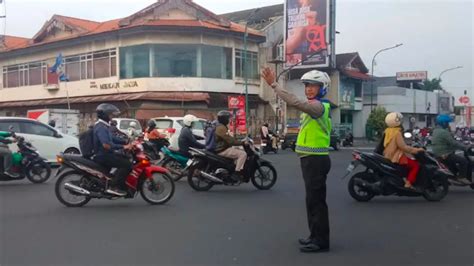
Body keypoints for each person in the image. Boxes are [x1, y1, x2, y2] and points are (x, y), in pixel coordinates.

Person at [262, 67, 331, 253]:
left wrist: (274, 85)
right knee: (311, 200)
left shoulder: (319, 107)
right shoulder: (313, 107)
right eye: (307, 86)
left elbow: (294, 101)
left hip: (316, 160)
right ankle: (314, 235)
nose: (309, 89)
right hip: (309, 159)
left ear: (322, 88)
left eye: (313, 86)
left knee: (317, 201)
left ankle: (321, 241)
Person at [93, 104, 133, 197]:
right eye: (110, 114)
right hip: (103, 155)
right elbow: (106, 145)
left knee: (124, 158)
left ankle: (115, 181)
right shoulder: (101, 127)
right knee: (127, 164)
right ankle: (114, 187)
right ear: (105, 115)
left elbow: (113, 138)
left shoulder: (104, 126)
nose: (112, 117)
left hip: (106, 154)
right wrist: (124, 147)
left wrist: (125, 141)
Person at [382, 112, 424, 189]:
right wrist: (416, 150)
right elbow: (403, 147)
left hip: (388, 155)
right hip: (396, 157)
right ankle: (408, 183)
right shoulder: (396, 133)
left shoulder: (387, 131)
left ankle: (404, 178)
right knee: (416, 165)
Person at [431, 114, 471, 184]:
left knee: (454, 163)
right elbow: (453, 143)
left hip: (439, 153)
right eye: (447, 123)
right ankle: (461, 177)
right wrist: (465, 147)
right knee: (464, 161)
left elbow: (449, 143)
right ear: (444, 123)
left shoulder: (436, 131)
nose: (448, 124)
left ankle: (454, 176)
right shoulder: (444, 132)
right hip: (445, 154)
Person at [214, 110, 247, 180]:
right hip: (222, 149)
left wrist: (238, 141)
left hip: (222, 147)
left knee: (238, 151)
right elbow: (230, 140)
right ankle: (237, 173)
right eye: (228, 118)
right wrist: (242, 143)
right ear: (224, 119)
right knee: (243, 154)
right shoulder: (221, 128)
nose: (229, 120)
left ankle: (233, 169)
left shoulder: (221, 126)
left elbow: (229, 138)